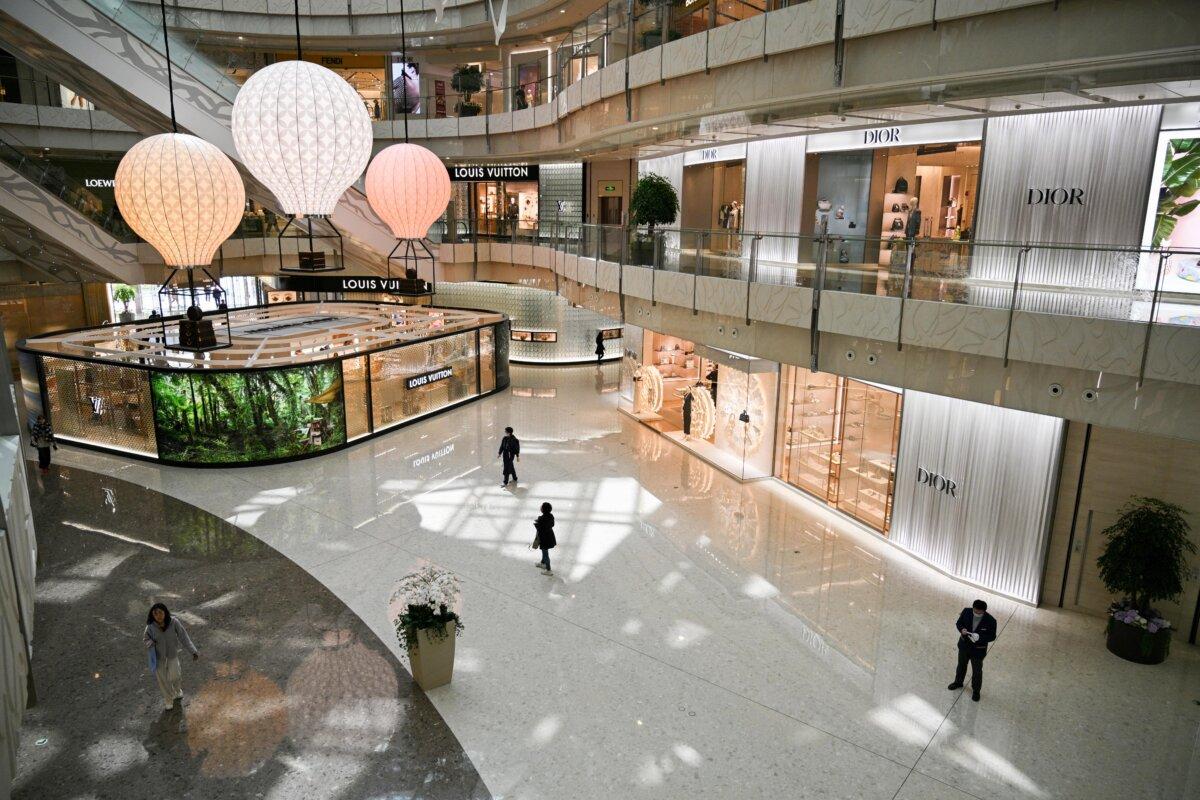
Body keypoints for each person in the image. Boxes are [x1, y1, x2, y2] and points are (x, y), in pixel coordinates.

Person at [143, 602, 199, 710]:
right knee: (163, 681)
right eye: (155, 614)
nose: (158, 616)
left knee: (176, 676)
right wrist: (150, 643)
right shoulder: (150, 627)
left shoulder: (174, 622)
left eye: (160, 613)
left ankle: (177, 690)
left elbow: (184, 637)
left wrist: (193, 651)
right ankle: (168, 700)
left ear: (165, 612)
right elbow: (146, 639)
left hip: (172, 656)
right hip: (158, 659)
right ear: (152, 615)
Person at [948, 599, 997, 702]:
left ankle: (976, 691)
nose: (977, 613)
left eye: (980, 612)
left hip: (978, 651)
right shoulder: (966, 611)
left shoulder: (991, 620)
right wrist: (962, 630)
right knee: (961, 665)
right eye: (975, 611)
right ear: (973, 608)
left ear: (984, 611)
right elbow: (959, 623)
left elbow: (992, 636)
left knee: (977, 671)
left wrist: (980, 637)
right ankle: (958, 682)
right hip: (964, 646)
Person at [531, 502, 556, 573]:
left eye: (541, 507)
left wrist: (537, 524)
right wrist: (539, 521)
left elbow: (541, 529)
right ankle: (543, 563)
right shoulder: (550, 516)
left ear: (543, 509)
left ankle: (548, 570)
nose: (540, 507)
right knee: (544, 551)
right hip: (550, 537)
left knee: (545, 554)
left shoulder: (542, 519)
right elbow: (549, 524)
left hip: (544, 539)